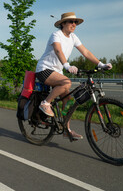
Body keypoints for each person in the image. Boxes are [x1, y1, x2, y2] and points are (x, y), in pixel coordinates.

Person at [35, 12, 112, 140]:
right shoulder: (56, 35)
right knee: (66, 82)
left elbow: (85, 52)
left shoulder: (73, 37)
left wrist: (101, 64)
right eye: (71, 22)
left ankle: (67, 129)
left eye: (75, 22)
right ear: (63, 23)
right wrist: (66, 65)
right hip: (44, 69)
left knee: (68, 101)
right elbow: (58, 50)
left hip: (57, 73)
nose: (74, 24)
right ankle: (45, 103)